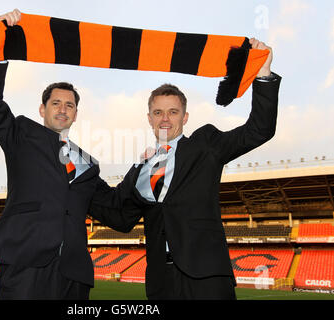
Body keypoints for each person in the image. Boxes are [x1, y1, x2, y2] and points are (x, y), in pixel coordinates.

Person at [90, 38, 281, 300]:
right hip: (161, 282)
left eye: (173, 112)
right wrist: (78, 178)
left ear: (185, 117)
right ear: (149, 119)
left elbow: (259, 130)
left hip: (206, 279)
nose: (165, 119)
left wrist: (263, 75)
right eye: (158, 113)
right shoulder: (140, 170)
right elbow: (119, 217)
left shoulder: (206, 146)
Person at [0, 9, 112, 300]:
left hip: (73, 274)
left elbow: (116, 207)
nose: (63, 109)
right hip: (26, 263)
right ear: (43, 109)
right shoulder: (21, 135)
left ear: (76, 114)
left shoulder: (89, 165)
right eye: (56, 103)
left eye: (70, 105)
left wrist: (151, 172)